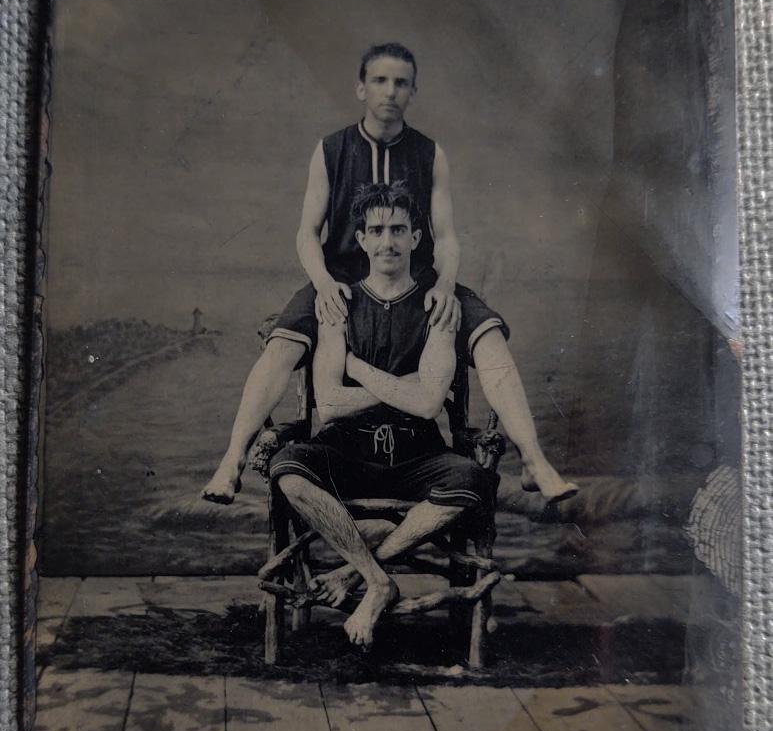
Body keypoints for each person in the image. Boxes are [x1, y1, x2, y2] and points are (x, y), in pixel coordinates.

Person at [202, 42, 576, 505]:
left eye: (401, 82)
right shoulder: (331, 150)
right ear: (361, 87)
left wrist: (442, 285)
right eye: (380, 80)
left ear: (413, 90)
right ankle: (232, 459)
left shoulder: (429, 153)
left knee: (489, 336)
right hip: (339, 279)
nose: (390, 91)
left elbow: (448, 235)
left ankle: (535, 462)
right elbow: (306, 232)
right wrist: (322, 285)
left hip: (415, 279)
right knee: (281, 346)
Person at [269, 183, 497, 646]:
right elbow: (330, 404)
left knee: (472, 480)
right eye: (377, 230)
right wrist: (404, 386)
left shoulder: (437, 306)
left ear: (416, 238)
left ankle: (356, 577)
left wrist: (358, 369)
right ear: (362, 239)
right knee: (288, 471)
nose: (388, 241)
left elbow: (429, 405)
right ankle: (379, 580)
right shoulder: (338, 305)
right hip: (348, 449)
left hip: (417, 452)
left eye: (398, 229)